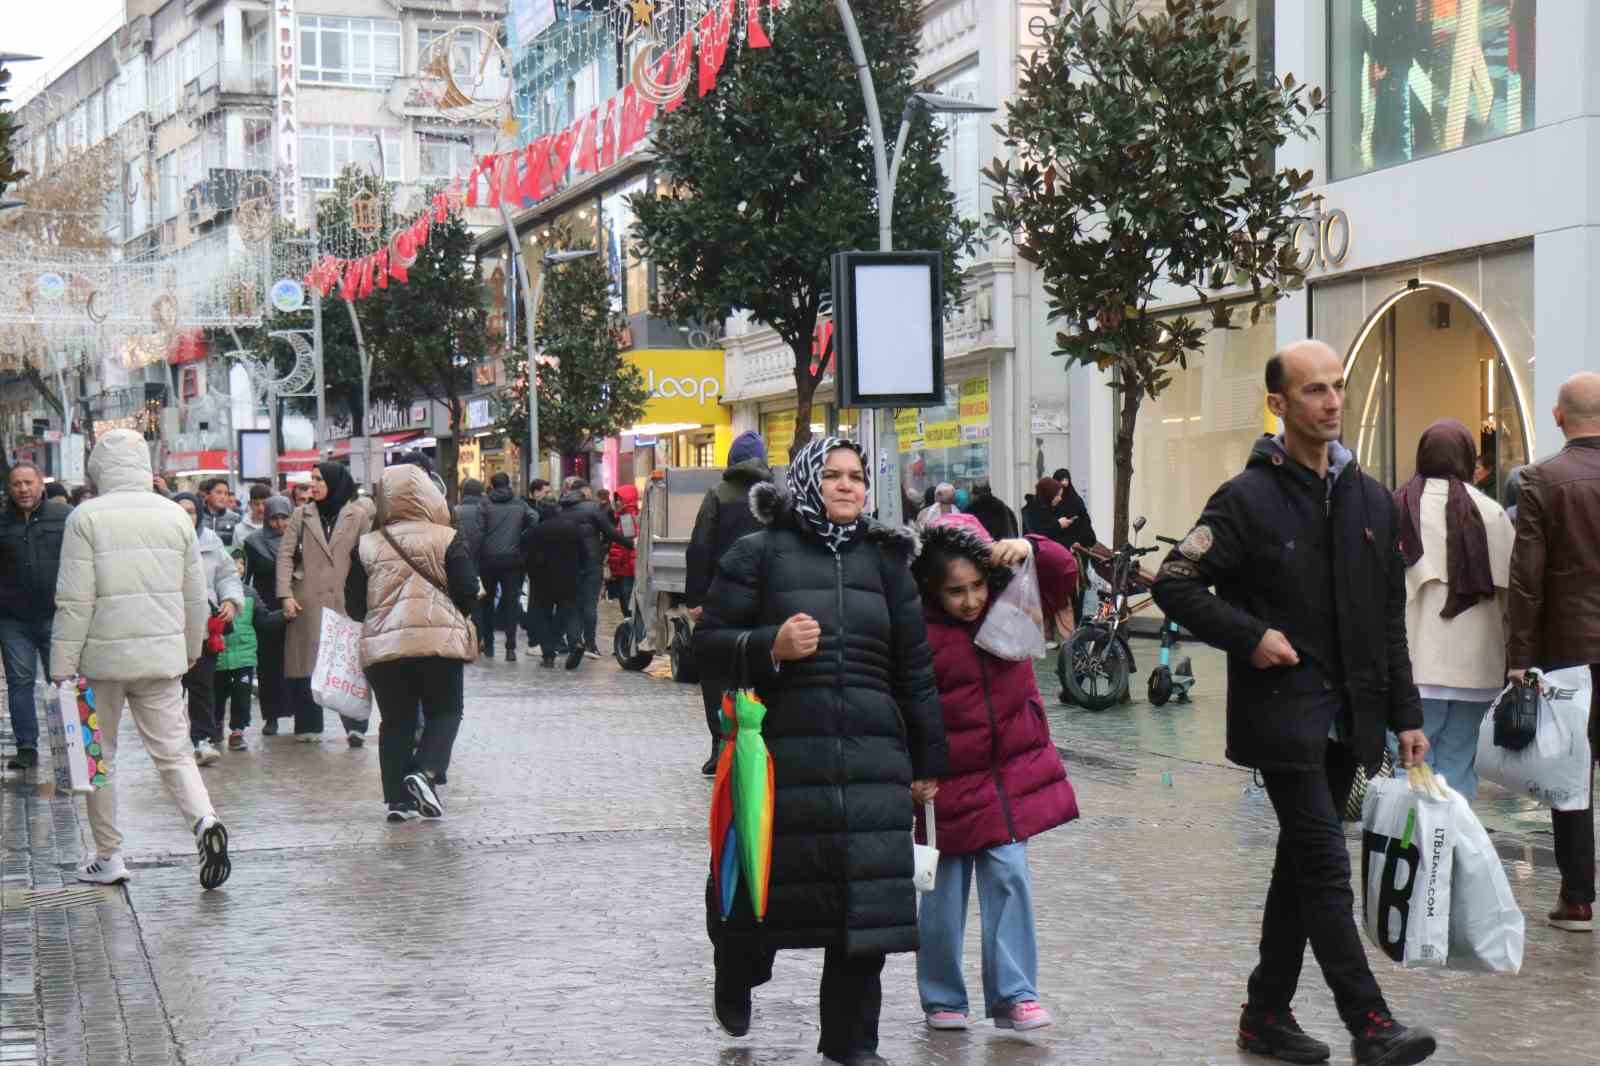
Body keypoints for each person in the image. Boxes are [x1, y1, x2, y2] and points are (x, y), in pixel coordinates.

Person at [1152, 340, 1438, 1066]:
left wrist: (1407, 715)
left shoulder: (1372, 498)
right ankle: (1370, 1024)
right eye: (1314, 390)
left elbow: (1385, 621)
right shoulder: (1245, 499)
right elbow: (1175, 582)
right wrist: (1250, 637)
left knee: (1299, 870)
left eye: (1338, 387)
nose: (1333, 401)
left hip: (1354, 722)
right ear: (1279, 404)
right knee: (1323, 863)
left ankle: (1265, 1014)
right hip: (1282, 716)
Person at [694, 436, 947, 1066]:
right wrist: (767, 646)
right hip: (780, 759)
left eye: (857, 477)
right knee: (758, 896)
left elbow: (915, 668)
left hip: (872, 756)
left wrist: (927, 761)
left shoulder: (888, 562)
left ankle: (851, 1042)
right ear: (807, 481)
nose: (846, 486)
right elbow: (703, 649)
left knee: (867, 910)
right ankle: (737, 968)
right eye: (832, 475)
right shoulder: (758, 554)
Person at [910, 514, 1078, 1034]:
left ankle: (1015, 995)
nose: (969, 600)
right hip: (947, 780)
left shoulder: (1016, 600)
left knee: (1009, 877)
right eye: (955, 591)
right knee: (942, 894)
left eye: (977, 585)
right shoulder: (917, 631)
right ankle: (942, 997)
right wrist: (912, 771)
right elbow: (903, 703)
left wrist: (1027, 546)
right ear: (933, 589)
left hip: (1009, 774)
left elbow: (1064, 570)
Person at [48, 428, 231, 890]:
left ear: (98, 469)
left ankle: (108, 855)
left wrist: (61, 666)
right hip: (161, 659)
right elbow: (195, 595)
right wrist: (190, 649)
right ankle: (205, 822)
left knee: (97, 758)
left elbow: (74, 601)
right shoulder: (174, 516)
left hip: (100, 662)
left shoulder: (85, 519)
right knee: (174, 753)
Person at [1505, 370, 1600, 934]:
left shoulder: (1541, 480)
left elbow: (1527, 580)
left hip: (1568, 650)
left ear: (1559, 417)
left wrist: (1520, 655)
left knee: (1571, 773)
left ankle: (1578, 897)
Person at [345, 464, 478, 822]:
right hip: (439, 643)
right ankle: (426, 772)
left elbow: (354, 605)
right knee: (446, 711)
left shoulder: (367, 544)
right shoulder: (446, 537)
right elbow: (468, 590)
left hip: (384, 650)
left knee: (395, 720)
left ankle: (398, 802)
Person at [1392, 420, 1516, 801]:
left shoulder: (1395, 506)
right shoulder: (1491, 512)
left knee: (1408, 771)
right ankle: (1447, 851)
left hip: (1412, 668)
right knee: (1460, 767)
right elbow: (1513, 595)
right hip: (1477, 670)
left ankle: (1409, 853)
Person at [685, 430, 774, 775]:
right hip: (766, 599)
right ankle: (759, 741)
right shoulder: (775, 496)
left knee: (718, 672)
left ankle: (721, 745)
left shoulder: (717, 495)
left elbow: (700, 549)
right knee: (761, 667)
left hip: (722, 599)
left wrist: (696, 598)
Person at [277, 462, 375, 745]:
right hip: (307, 598)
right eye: (311, 480)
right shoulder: (301, 514)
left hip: (347, 599)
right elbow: (285, 556)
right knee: (306, 663)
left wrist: (368, 598)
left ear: (336, 482)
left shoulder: (357, 516)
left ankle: (355, 724)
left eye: (319, 480)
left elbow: (369, 558)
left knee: (348, 662)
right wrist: (286, 595)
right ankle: (309, 724)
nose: (314, 485)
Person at [0, 462, 70, 770]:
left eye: (28, 482)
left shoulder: (64, 518)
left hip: (56, 614)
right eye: (17, 484)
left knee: (63, 681)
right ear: (9, 488)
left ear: (41, 484)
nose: (23, 489)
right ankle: (26, 746)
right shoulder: (2, 522)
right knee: (20, 682)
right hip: (13, 618)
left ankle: (69, 748)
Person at [172, 493, 246, 766]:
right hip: (169, 629)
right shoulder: (160, 543)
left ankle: (202, 740)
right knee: (170, 691)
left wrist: (229, 600)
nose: (187, 516)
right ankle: (173, 744)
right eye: (181, 511)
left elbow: (227, 575)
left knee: (202, 686)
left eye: (191, 511)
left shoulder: (211, 542)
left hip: (203, 627)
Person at [558, 477, 633, 659]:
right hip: (591, 562)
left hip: (568, 563)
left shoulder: (559, 509)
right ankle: (590, 644)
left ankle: (574, 641)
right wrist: (630, 543)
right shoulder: (592, 508)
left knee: (573, 604)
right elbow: (609, 532)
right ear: (584, 492)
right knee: (589, 604)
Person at [242, 496, 292, 735]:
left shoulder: (297, 541)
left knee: (296, 664)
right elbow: (244, 577)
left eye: (284, 518)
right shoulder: (253, 542)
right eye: (274, 518)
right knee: (269, 667)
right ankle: (271, 717)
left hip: (295, 607)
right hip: (265, 610)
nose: (279, 524)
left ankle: (301, 713)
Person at [525, 487, 588, 669]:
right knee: (568, 613)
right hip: (569, 579)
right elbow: (584, 553)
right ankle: (576, 641)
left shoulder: (536, 532)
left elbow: (529, 558)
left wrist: (532, 575)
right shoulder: (572, 528)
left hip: (542, 582)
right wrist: (580, 571)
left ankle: (548, 655)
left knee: (543, 617)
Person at [478, 472, 538, 662]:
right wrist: (522, 536)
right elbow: (534, 518)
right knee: (511, 602)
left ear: (492, 485)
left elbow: (479, 530)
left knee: (486, 602)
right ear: (508, 484)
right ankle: (510, 648)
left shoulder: (485, 504)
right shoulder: (519, 504)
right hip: (513, 560)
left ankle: (488, 645)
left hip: (488, 560)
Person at [214, 549, 259, 751]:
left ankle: (238, 731)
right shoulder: (213, 595)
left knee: (242, 695)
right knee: (216, 695)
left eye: (241, 563)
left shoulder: (250, 593)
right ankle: (215, 726)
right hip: (218, 656)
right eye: (233, 562)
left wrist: (282, 617)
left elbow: (263, 618)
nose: (238, 567)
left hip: (244, 656)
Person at [606, 484, 641, 619]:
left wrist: (616, 568)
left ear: (628, 500)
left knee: (628, 605)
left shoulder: (627, 519)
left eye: (620, 499)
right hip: (628, 569)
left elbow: (628, 547)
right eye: (616, 499)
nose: (617, 502)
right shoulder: (629, 516)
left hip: (627, 570)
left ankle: (632, 635)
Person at [198, 478, 242, 546]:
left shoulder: (235, 518)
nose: (223, 497)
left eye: (226, 493)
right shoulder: (198, 517)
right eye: (218, 492)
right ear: (207, 495)